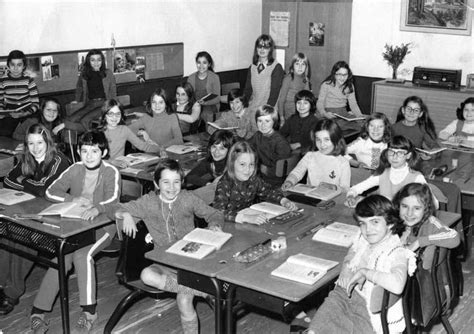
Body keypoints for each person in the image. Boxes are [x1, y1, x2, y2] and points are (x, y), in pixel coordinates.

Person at [110, 158, 223, 334]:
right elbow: (113, 208)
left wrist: (214, 225)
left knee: (184, 301)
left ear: (182, 182)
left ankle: (199, 295)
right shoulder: (148, 202)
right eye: (166, 182)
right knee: (147, 275)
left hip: (191, 264)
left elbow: (214, 214)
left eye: (176, 182)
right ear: (156, 183)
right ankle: (205, 292)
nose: (172, 187)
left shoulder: (187, 198)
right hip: (164, 264)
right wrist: (125, 214)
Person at [30, 131, 121, 333]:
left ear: (103, 152)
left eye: (95, 151)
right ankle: (38, 311)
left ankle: (90, 312)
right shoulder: (75, 168)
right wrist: (73, 200)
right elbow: (51, 191)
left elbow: (113, 201)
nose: (89, 156)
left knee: (83, 255)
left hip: (104, 226)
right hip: (77, 226)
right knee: (61, 258)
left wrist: (97, 208)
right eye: (84, 151)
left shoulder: (111, 171)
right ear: (79, 152)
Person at [307, 195, 415, 334]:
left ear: (390, 223)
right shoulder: (365, 238)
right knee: (314, 330)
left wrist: (365, 272)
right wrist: (346, 267)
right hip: (345, 294)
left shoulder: (396, 251)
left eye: (374, 222)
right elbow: (353, 250)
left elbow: (398, 285)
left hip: (369, 312)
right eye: (362, 223)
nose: (367, 229)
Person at [0, 124, 70, 315]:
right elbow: (8, 180)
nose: (35, 147)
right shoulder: (26, 158)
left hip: (57, 217)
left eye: (40, 142)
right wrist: (29, 184)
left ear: (48, 142)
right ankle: (1, 284)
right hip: (30, 209)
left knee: (23, 236)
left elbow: (45, 190)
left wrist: (23, 181)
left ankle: (12, 292)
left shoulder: (59, 161)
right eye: (31, 143)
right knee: (6, 229)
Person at [213, 141, 297, 225]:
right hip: (231, 225)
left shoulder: (253, 179)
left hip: (249, 224)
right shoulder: (225, 183)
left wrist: (284, 201)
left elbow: (268, 191)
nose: (247, 169)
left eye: (251, 164)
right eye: (242, 164)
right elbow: (218, 212)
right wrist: (246, 218)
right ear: (232, 163)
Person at [345, 135, 426, 207]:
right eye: (391, 152)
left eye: (400, 153)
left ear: (408, 155)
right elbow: (356, 188)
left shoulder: (416, 177)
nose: (395, 157)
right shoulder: (382, 173)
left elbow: (433, 203)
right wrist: (351, 196)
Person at [393, 183, 460, 269]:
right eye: (405, 206)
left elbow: (454, 237)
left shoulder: (431, 223)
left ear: (425, 209)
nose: (409, 213)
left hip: (421, 274)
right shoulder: (395, 219)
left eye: (417, 208)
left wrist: (419, 242)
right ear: (398, 206)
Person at [281, 118, 351, 192]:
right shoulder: (310, 156)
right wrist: (290, 181)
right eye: (318, 140)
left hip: (332, 200)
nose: (322, 144)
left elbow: (345, 189)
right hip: (310, 198)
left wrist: (334, 187)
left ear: (336, 139)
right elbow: (297, 172)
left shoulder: (343, 162)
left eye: (326, 139)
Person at [97, 98, 161, 164]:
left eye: (118, 114)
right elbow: (93, 158)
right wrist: (112, 162)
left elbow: (142, 146)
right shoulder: (99, 133)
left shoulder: (124, 130)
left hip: (120, 168)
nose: (114, 117)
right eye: (111, 114)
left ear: (121, 116)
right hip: (103, 169)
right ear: (105, 116)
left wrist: (160, 149)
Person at [67, 49, 117, 131]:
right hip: (90, 104)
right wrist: (76, 100)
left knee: (85, 120)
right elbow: (79, 87)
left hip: (104, 104)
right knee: (71, 119)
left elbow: (113, 89)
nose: (96, 63)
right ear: (88, 61)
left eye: (99, 60)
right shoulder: (84, 74)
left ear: (102, 61)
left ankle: (92, 140)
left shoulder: (108, 73)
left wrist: (113, 106)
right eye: (93, 60)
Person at [12, 97, 84, 150]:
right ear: (42, 110)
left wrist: (64, 125)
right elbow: (15, 134)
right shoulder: (31, 122)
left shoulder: (61, 122)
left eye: (54, 110)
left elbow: (83, 128)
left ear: (58, 113)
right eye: (48, 110)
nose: (51, 113)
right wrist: (32, 139)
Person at [248, 105, 291, 185]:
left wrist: (260, 167)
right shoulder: (258, 135)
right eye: (260, 121)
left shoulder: (280, 142)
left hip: (275, 180)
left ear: (274, 122)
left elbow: (280, 169)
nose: (263, 125)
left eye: (267, 121)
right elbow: (246, 146)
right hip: (259, 175)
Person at [0, 50, 40, 137]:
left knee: (32, 132)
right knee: (4, 133)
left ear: (24, 66)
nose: (15, 68)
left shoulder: (29, 80)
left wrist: (25, 113)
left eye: (19, 65)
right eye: (12, 65)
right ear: (8, 65)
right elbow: (1, 101)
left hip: (27, 109)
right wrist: (2, 113)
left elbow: (36, 104)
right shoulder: (3, 80)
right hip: (11, 110)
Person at [243, 34, 284, 113]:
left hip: (268, 109)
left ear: (270, 49)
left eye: (266, 47)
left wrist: (266, 110)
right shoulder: (252, 67)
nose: (262, 49)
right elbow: (247, 90)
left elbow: (274, 94)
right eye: (259, 46)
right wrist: (243, 106)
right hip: (253, 107)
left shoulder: (276, 67)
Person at [279, 89, 319, 154]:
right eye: (299, 103)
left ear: (311, 105)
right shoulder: (292, 119)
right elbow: (281, 133)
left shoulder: (314, 121)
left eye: (305, 103)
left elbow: (314, 140)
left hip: (307, 151)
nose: (301, 106)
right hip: (292, 149)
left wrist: (299, 144)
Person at [277, 52, 312, 124]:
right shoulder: (288, 79)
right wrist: (281, 117)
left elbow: (308, 99)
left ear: (306, 67)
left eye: (303, 64)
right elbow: (281, 100)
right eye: (297, 64)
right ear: (292, 66)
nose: (300, 67)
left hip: (301, 110)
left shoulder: (305, 80)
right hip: (289, 113)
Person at [187, 51, 221, 123]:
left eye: (204, 63)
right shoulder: (190, 78)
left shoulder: (215, 77)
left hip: (210, 105)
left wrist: (204, 103)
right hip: (195, 104)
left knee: (206, 114)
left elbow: (217, 99)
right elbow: (188, 96)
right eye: (199, 62)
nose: (201, 65)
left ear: (209, 64)